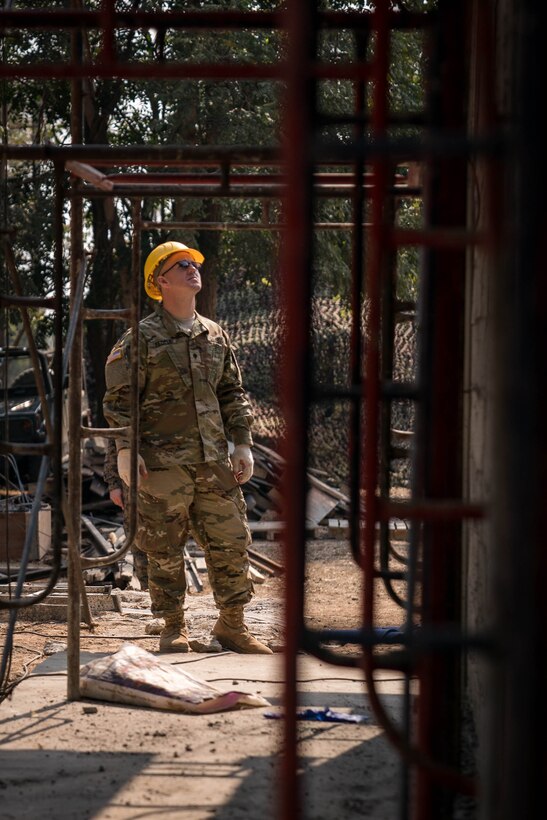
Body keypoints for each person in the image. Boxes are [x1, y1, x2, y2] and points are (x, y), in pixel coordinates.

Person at [103, 240, 272, 654]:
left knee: (231, 542)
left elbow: (232, 392)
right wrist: (125, 451)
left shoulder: (214, 334)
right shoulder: (139, 339)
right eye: (182, 265)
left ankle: (232, 625)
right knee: (163, 547)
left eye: (195, 262)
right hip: (161, 466)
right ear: (162, 280)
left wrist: (243, 444)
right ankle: (172, 627)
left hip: (214, 461)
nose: (193, 268)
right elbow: (119, 401)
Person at [103, 437, 149, 591]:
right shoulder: (124, 414)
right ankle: (147, 587)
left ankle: (170, 593)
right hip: (133, 480)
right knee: (137, 535)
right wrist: (113, 484)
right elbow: (114, 442)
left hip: (168, 478)